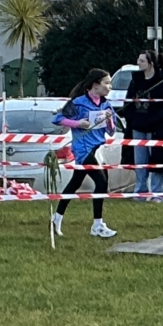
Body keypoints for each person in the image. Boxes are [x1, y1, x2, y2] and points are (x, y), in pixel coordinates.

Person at [51, 69, 117, 238]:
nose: (110, 87)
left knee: (75, 183)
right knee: (101, 182)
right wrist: (77, 123)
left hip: (96, 148)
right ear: (95, 85)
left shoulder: (106, 105)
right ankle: (97, 225)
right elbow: (57, 119)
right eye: (107, 83)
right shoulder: (78, 103)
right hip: (82, 150)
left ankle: (56, 218)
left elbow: (111, 132)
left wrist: (109, 119)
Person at [122, 50, 163, 199]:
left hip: (157, 129)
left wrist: (153, 120)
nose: (138, 63)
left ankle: (157, 193)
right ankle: (140, 191)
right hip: (137, 128)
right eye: (138, 60)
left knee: (158, 160)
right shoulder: (135, 81)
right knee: (140, 162)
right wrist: (133, 120)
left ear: (151, 63)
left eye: (142, 61)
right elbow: (128, 103)